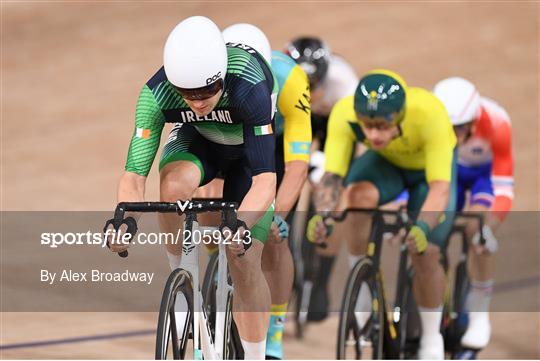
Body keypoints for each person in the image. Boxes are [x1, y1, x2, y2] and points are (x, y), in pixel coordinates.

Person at [105, 16, 278, 360]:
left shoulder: (249, 84)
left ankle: (257, 355)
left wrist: (240, 224)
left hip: (246, 156)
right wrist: (126, 220)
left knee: (245, 259)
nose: (198, 103)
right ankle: (182, 278)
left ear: (222, 76)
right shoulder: (155, 94)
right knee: (170, 187)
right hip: (200, 144)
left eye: (208, 92)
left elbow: (265, 180)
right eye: (188, 94)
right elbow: (134, 176)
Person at [309, 69, 457, 359]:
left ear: (400, 116)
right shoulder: (344, 113)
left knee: (425, 253)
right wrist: (324, 216)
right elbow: (333, 178)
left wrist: (423, 228)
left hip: (428, 175)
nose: (373, 134)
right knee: (355, 197)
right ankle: (363, 285)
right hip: (387, 165)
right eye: (367, 126)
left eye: (382, 125)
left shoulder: (429, 113)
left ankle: (431, 337)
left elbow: (440, 188)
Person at [198, 23, 312, 360]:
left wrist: (277, 216)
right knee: (209, 212)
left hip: (272, 147)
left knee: (273, 237)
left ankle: (273, 331)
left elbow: (296, 166)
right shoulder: (209, 80)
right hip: (229, 141)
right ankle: (216, 283)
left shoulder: (290, 81)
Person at [434, 77, 514, 354]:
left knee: (475, 229)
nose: (455, 137)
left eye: (460, 129)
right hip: (447, 173)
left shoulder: (497, 123)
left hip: (482, 177)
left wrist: (488, 228)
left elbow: (504, 188)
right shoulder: (431, 120)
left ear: (474, 119)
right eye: (449, 129)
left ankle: (480, 315)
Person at [285, 36, 359, 322]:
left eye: (314, 85)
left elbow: (351, 142)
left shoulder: (344, 85)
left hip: (336, 125)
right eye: (304, 85)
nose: (309, 91)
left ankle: (321, 283)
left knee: (332, 194)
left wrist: (325, 170)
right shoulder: (283, 81)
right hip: (296, 116)